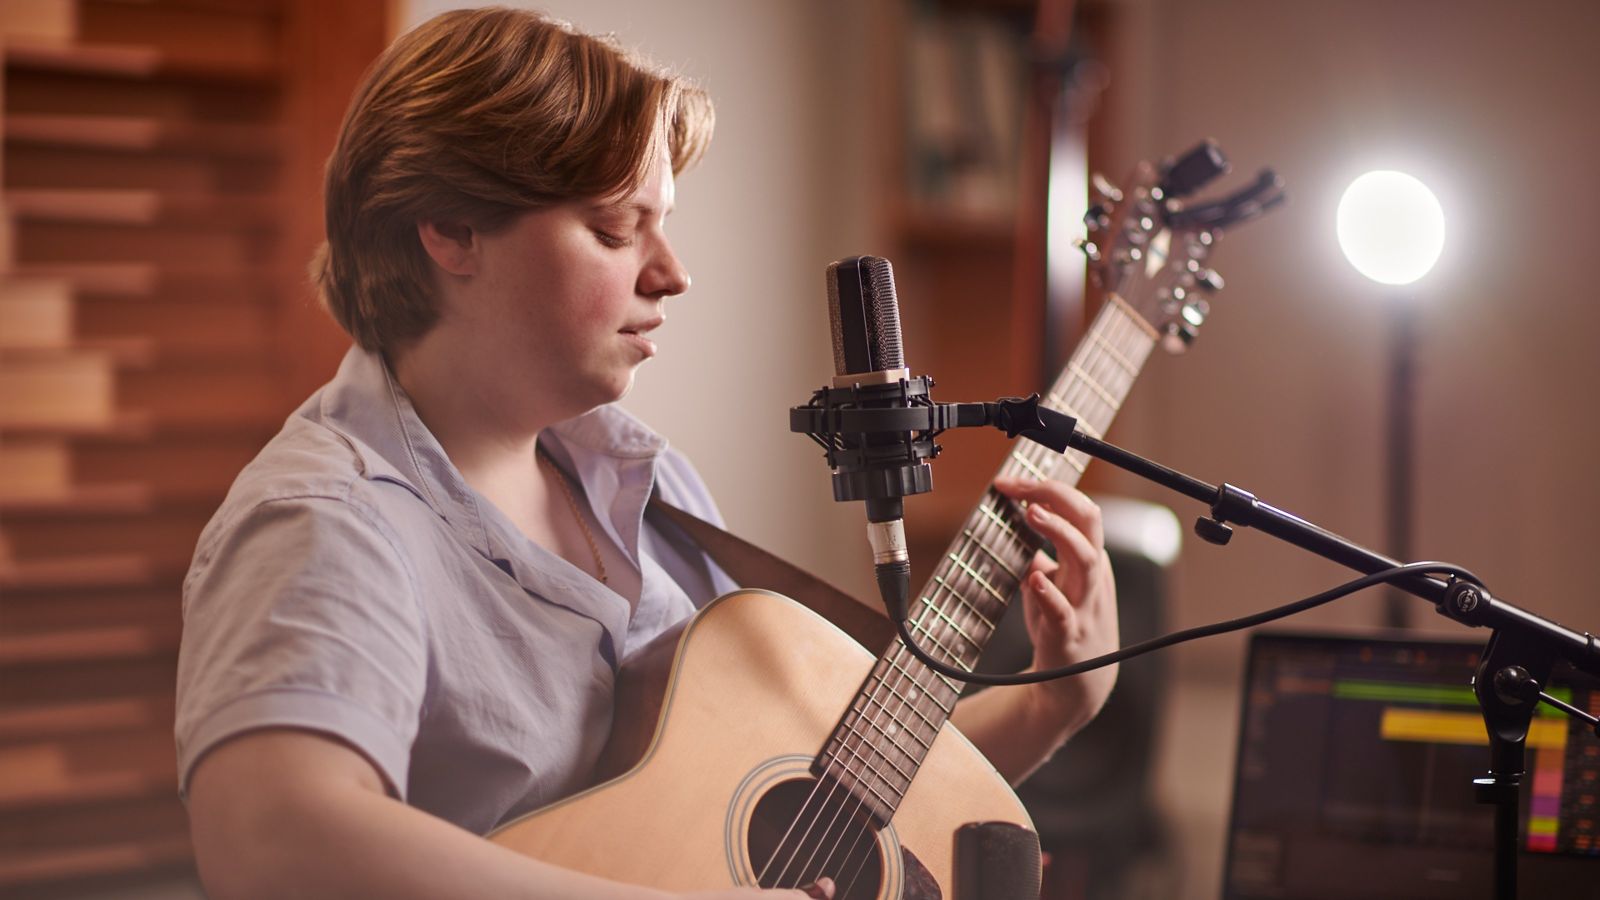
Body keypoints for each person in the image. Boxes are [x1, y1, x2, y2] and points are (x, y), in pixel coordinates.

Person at [175, 7, 1120, 899]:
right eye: (616, 228)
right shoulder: (327, 521)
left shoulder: (648, 484)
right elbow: (271, 836)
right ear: (453, 230)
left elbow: (826, 819)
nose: (672, 273)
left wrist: (1055, 704)